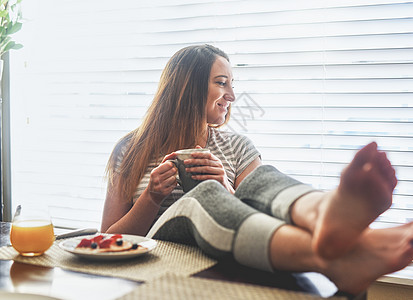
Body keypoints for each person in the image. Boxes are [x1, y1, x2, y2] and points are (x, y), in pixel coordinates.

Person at [101, 44, 413, 295]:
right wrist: (152, 197)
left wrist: (225, 184)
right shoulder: (130, 149)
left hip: (226, 251)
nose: (232, 96)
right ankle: (340, 254)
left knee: (258, 180)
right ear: (188, 87)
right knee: (202, 196)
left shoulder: (237, 146)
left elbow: (264, 211)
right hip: (164, 249)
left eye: (231, 84)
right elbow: (107, 237)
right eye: (222, 83)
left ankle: (321, 213)